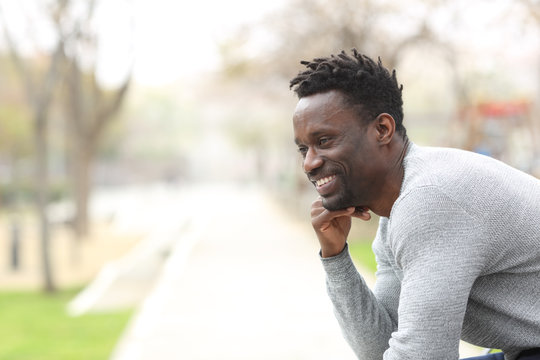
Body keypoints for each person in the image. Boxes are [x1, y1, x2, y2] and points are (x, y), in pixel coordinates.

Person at [289, 49, 540, 360]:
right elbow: (383, 346)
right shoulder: (397, 212)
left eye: (324, 141)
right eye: (304, 149)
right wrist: (335, 256)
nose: (309, 163)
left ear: (383, 129)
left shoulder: (430, 201)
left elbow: (422, 355)